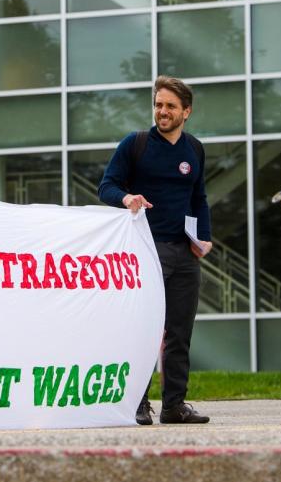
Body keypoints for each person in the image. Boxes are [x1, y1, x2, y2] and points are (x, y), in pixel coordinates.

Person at [98, 75, 212, 425]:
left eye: (170, 106)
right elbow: (107, 186)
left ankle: (174, 406)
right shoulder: (137, 144)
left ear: (186, 112)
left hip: (184, 253)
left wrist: (204, 238)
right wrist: (127, 197)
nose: (162, 111)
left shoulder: (193, 149)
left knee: (180, 332)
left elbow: (199, 198)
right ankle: (138, 404)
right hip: (146, 250)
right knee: (146, 331)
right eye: (158, 105)